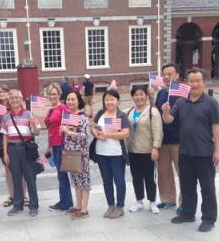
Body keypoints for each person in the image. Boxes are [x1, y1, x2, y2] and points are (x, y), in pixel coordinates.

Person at [162, 68, 219, 232]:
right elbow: (168, 120)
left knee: (207, 187)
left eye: (198, 81)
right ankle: (188, 213)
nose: (194, 84)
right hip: (185, 153)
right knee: (187, 186)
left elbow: (216, 128)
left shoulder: (211, 103)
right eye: (191, 81)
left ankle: (209, 218)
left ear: (203, 82)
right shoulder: (181, 102)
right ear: (187, 83)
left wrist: (218, 150)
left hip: (205, 153)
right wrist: (165, 111)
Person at [90, 89, 131, 219]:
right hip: (101, 153)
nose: (109, 102)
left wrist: (107, 134)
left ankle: (120, 206)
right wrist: (96, 133)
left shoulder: (121, 115)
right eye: (107, 99)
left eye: (112, 99)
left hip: (117, 154)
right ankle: (110, 205)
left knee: (119, 181)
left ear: (118, 101)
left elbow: (125, 133)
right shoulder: (101, 113)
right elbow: (93, 126)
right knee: (106, 181)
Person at [148, 63, 183, 212]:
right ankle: (168, 199)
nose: (167, 77)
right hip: (162, 139)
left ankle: (185, 202)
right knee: (164, 171)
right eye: (165, 75)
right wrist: (151, 98)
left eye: (170, 74)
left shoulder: (183, 92)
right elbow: (155, 112)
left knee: (183, 172)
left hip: (179, 139)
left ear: (177, 75)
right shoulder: (162, 93)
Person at [1, 89, 41, 217]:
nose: (14, 100)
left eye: (17, 97)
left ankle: (33, 205)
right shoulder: (6, 116)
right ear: (9, 100)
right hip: (12, 149)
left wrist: (34, 124)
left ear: (21, 99)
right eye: (12, 98)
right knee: (16, 178)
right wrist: (5, 153)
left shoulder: (29, 114)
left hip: (26, 149)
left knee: (30, 178)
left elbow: (37, 132)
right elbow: (5, 136)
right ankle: (17, 205)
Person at [126, 85, 163, 214]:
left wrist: (155, 148)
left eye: (141, 94)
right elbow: (115, 115)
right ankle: (139, 201)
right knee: (136, 177)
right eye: (136, 95)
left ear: (146, 96)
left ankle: (152, 201)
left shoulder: (153, 111)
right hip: (132, 150)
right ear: (132, 97)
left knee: (149, 177)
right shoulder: (129, 111)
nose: (139, 97)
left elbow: (158, 130)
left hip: (148, 150)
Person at [0, 85, 29, 208]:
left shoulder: (16, 106)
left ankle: (23, 195)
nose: (2, 93)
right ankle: (12, 195)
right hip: (3, 141)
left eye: (4, 91)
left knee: (22, 171)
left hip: (19, 141)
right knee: (8, 171)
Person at [60, 91, 91, 220]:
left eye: (73, 99)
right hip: (70, 152)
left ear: (78, 101)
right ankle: (78, 206)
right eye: (68, 99)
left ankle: (84, 209)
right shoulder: (67, 116)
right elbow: (66, 134)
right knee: (76, 180)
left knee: (84, 181)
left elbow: (85, 135)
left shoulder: (82, 117)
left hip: (81, 153)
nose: (70, 102)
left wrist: (68, 132)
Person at [44, 83, 73, 211]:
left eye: (54, 94)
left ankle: (65, 202)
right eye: (50, 94)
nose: (52, 96)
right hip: (54, 145)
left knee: (62, 174)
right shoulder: (51, 110)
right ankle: (66, 201)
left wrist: (67, 130)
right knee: (60, 174)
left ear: (59, 95)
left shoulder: (64, 108)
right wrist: (48, 146)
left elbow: (71, 125)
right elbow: (50, 128)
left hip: (62, 145)